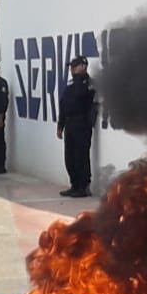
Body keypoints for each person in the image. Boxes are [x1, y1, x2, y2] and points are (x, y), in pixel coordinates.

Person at [57, 55, 98, 198]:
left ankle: (83, 186)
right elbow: (64, 104)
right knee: (70, 157)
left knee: (81, 156)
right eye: (71, 66)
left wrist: (79, 79)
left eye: (75, 66)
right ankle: (74, 185)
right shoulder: (70, 84)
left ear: (83, 66)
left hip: (81, 123)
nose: (72, 69)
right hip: (69, 122)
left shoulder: (88, 82)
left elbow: (85, 98)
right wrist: (60, 125)